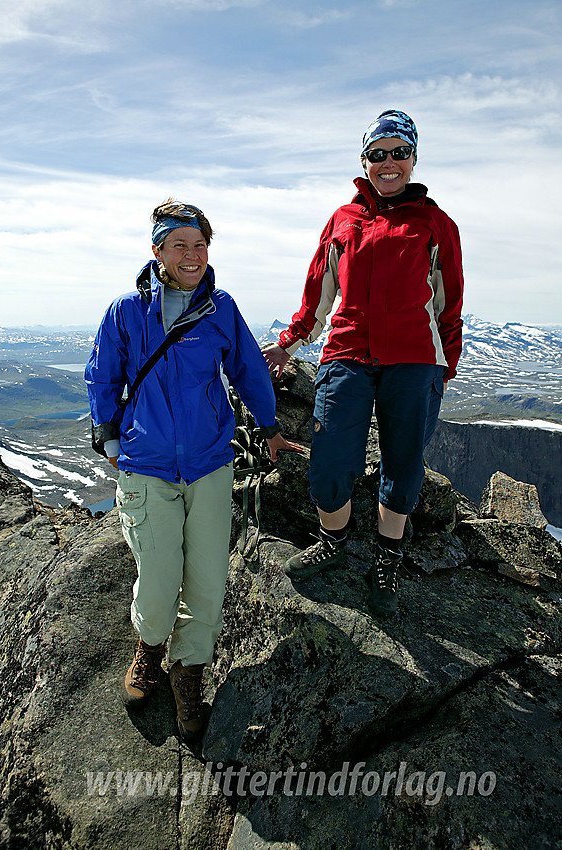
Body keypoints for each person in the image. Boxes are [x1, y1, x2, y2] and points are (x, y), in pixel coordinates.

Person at [86, 199, 300, 741]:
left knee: (206, 587)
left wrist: (271, 427)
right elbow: (102, 377)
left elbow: (250, 370)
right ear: (156, 250)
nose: (192, 255)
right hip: (147, 467)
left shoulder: (221, 308)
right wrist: (109, 437)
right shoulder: (127, 311)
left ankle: (188, 678)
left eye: (200, 245)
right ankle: (149, 646)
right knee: (158, 587)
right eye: (179, 244)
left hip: (208, 466)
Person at [263, 109, 464, 617]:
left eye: (400, 152)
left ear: (414, 158)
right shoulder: (343, 221)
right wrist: (289, 342)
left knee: (403, 466)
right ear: (365, 161)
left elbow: (449, 302)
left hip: (414, 362)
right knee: (330, 461)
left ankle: (387, 557)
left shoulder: (437, 225)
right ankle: (335, 540)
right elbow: (318, 293)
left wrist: (445, 365)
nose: (389, 163)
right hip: (347, 354)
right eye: (378, 154)